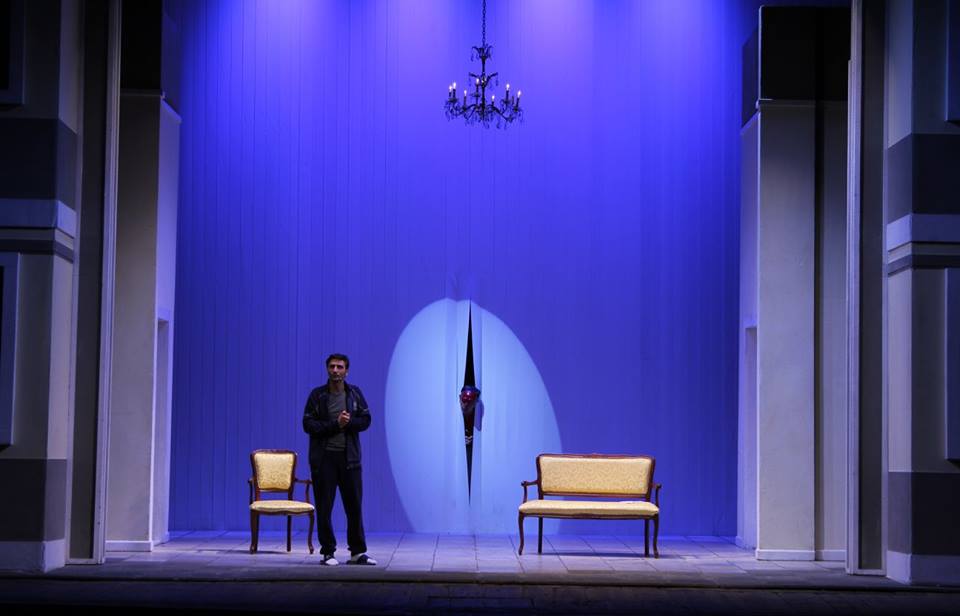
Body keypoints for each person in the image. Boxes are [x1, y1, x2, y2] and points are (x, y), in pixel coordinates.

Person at [302, 353, 376, 566]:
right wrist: (336, 425)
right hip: (324, 459)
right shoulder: (317, 395)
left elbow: (366, 420)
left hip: (350, 459)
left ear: (347, 371)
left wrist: (349, 422)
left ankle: (357, 552)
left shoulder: (354, 393)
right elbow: (308, 425)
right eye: (332, 366)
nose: (336, 370)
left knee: (354, 507)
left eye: (340, 367)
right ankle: (328, 552)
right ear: (327, 369)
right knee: (325, 508)